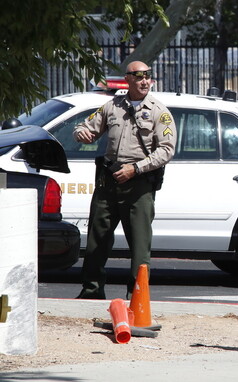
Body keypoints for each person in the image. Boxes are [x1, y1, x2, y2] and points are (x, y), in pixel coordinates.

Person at [74, 61, 177, 299]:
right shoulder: (112, 106)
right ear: (127, 79)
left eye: (148, 77)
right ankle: (91, 291)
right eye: (139, 76)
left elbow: (166, 151)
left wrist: (136, 168)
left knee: (140, 247)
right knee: (96, 241)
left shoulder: (159, 112)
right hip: (108, 181)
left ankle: (137, 298)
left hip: (138, 185)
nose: (144, 81)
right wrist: (81, 133)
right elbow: (85, 127)